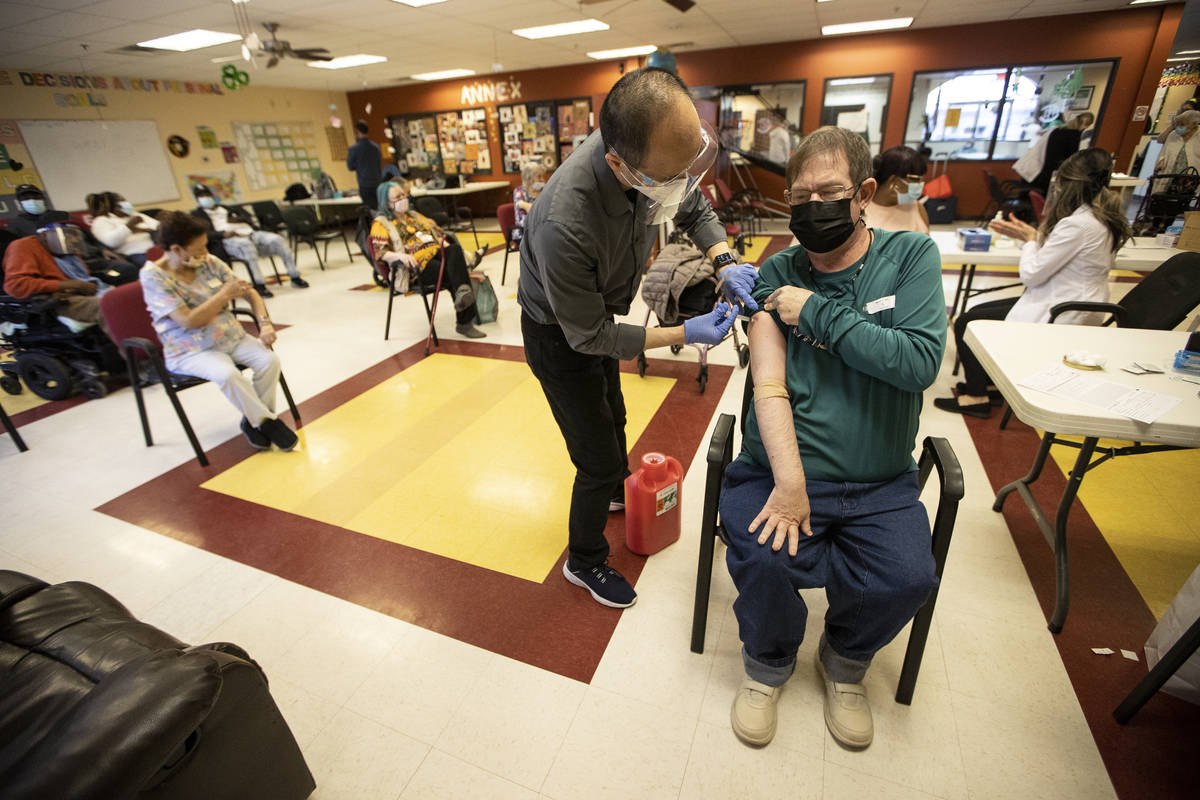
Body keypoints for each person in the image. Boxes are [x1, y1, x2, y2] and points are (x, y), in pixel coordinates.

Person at [720, 126, 946, 751]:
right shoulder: (779, 270)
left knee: (906, 576)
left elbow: (918, 362)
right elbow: (769, 384)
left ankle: (844, 661)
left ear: (865, 193)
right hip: (780, 471)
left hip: (879, 480)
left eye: (829, 192)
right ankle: (767, 663)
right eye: (799, 197)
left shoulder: (910, 260)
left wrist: (816, 312)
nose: (811, 207)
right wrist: (790, 483)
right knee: (762, 554)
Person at [518, 67, 756, 608]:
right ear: (619, 164)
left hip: (598, 316)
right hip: (562, 335)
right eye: (669, 176)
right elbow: (590, 337)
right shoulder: (565, 222)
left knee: (616, 416)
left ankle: (609, 494)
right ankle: (584, 561)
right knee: (597, 460)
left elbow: (688, 200)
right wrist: (681, 331)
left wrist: (723, 260)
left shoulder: (649, 151)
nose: (680, 182)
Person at [935, 148, 1131, 419]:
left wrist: (1030, 241)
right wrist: (1036, 237)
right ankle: (988, 384)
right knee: (976, 315)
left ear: (1066, 184)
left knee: (968, 321)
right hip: (1069, 297)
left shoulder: (1077, 224)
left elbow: (1032, 273)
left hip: (1065, 305)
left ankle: (976, 397)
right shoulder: (1100, 217)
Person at [140, 212, 298, 452]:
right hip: (191, 349)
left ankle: (254, 421)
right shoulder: (153, 276)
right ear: (177, 249)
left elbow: (249, 292)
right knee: (227, 374)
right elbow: (187, 320)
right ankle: (268, 422)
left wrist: (265, 323)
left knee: (269, 360)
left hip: (230, 337)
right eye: (199, 249)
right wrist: (223, 294)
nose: (205, 253)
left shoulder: (209, 262)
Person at [370, 179, 487, 339]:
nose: (404, 199)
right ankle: (464, 321)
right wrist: (401, 256)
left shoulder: (413, 215)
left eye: (404, 195)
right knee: (455, 274)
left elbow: (435, 231)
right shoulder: (381, 224)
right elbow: (380, 253)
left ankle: (463, 297)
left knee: (454, 250)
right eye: (398, 197)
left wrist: (440, 240)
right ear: (388, 204)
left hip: (436, 253)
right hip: (415, 267)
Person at [191, 186, 308, 298]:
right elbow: (205, 234)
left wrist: (239, 219)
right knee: (246, 246)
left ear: (212, 196)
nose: (205, 198)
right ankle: (259, 285)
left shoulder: (225, 208)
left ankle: (295, 276)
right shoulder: (197, 215)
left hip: (250, 233)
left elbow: (248, 217)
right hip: (230, 240)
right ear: (197, 199)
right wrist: (223, 234)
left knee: (278, 240)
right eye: (201, 196)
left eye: (207, 194)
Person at [7, 184, 135, 284]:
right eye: (26, 198)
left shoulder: (63, 215)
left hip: (91, 256)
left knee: (129, 265)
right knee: (124, 271)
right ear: (19, 202)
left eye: (36, 197)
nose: (32, 201)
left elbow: (87, 235)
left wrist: (103, 250)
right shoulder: (15, 226)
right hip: (63, 266)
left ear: (43, 198)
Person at [2, 223, 113, 334]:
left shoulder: (64, 249)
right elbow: (15, 285)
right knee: (108, 306)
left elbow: (83, 276)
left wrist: (84, 284)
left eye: (75, 235)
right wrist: (71, 284)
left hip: (81, 292)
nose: (74, 240)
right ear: (45, 235)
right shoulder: (23, 246)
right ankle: (126, 348)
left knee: (124, 296)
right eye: (67, 235)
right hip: (54, 301)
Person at [866, 146, 930, 234]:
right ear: (893, 181)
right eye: (916, 180)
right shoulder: (860, 210)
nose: (921, 184)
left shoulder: (918, 208)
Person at [87, 191, 159, 267]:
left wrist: (146, 230)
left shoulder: (134, 215)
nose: (127, 204)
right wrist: (129, 226)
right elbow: (112, 242)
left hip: (157, 248)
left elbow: (159, 227)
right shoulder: (101, 221)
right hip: (134, 255)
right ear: (112, 206)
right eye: (123, 201)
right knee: (157, 266)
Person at [1031, 112, 1094, 194]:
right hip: (1060, 174)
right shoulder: (1074, 135)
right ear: (1085, 125)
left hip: (1046, 172)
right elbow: (1072, 157)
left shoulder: (1056, 131)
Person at [347, 120, 383, 210]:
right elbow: (379, 163)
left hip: (365, 185)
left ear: (357, 132)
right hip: (378, 183)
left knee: (369, 211)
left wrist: (359, 164)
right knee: (380, 209)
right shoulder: (376, 147)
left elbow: (350, 167)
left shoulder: (354, 149)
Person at [1154, 109, 1200, 178]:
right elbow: (1163, 149)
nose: (1179, 127)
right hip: (1168, 175)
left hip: (1192, 178)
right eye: (1178, 124)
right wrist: (1161, 160)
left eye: (1182, 125)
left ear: (1193, 124)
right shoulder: (1173, 134)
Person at [511, 162, 546, 244]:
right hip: (523, 232)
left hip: (541, 230)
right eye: (539, 177)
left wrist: (527, 206)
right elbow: (525, 220)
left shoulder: (543, 190)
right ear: (529, 178)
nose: (542, 180)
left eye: (543, 176)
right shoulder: (519, 192)